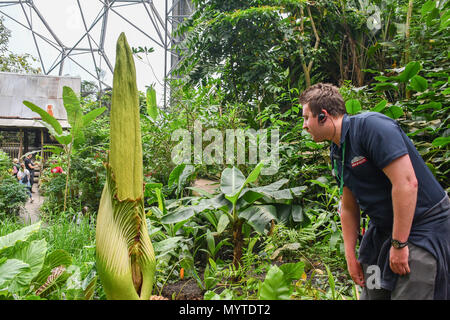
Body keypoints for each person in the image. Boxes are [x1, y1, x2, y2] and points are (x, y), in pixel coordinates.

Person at [299, 83, 449, 300]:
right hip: (382, 231)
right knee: (373, 293)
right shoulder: (337, 151)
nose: (304, 126)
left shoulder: (371, 126)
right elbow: (349, 207)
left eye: (306, 118)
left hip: (422, 226)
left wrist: (399, 245)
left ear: (323, 116)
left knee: (411, 291)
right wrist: (351, 257)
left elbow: (407, 184)